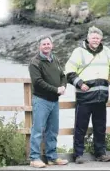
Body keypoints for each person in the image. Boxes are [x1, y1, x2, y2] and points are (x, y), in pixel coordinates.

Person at [65, 26, 110, 164]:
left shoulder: (107, 52)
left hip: (101, 97)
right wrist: (79, 84)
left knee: (100, 127)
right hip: (84, 97)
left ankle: (100, 153)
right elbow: (69, 71)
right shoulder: (78, 52)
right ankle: (78, 155)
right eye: (93, 37)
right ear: (88, 38)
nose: (95, 40)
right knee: (80, 127)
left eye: (98, 37)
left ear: (101, 39)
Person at [28, 35, 69, 168]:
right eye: (44, 44)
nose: (46, 46)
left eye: (48, 44)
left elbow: (63, 75)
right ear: (39, 46)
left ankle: (52, 157)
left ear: (52, 45)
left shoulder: (55, 59)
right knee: (38, 130)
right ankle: (34, 158)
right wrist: (55, 89)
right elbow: (38, 82)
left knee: (53, 130)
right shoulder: (35, 62)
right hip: (41, 100)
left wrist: (63, 87)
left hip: (54, 101)